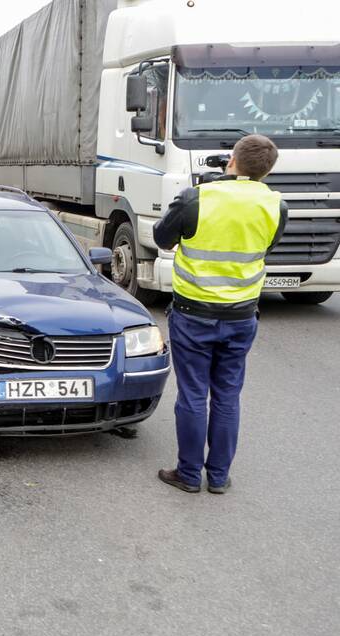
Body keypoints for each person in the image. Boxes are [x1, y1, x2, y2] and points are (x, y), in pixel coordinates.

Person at [153, 134, 287, 494]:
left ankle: (189, 474)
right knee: (227, 396)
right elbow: (267, 246)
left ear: (232, 161)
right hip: (242, 316)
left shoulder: (197, 198)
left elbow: (162, 238)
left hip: (193, 314)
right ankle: (219, 476)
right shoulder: (276, 205)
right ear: (268, 170)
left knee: (193, 394)